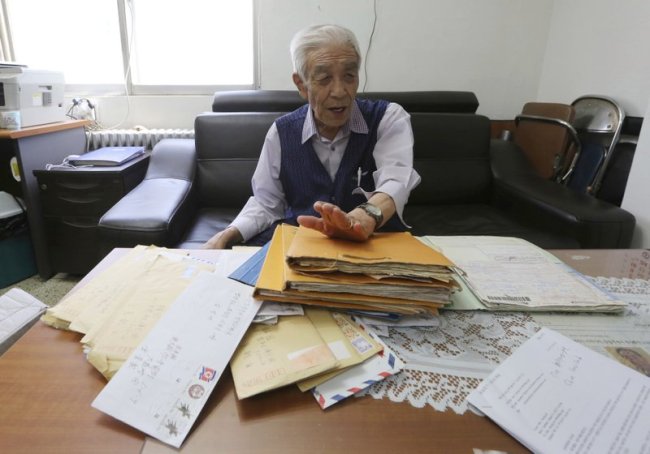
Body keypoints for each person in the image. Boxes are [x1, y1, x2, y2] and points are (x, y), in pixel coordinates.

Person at [203, 24, 420, 249]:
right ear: (301, 84)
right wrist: (225, 236)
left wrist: (363, 218)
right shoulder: (282, 132)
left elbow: (395, 182)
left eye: (349, 76)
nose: (339, 91)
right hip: (304, 247)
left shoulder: (388, 118)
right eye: (324, 79)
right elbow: (266, 204)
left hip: (373, 244)